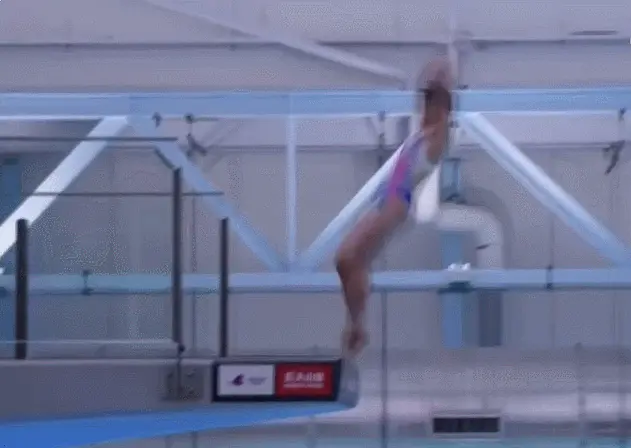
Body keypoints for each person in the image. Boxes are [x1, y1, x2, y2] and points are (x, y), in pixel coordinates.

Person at [335, 58, 453, 357]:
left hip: (396, 203)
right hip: (385, 199)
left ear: (439, 108)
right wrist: (429, 78)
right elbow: (426, 93)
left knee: (352, 258)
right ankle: (355, 325)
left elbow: (439, 97)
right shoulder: (420, 134)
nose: (423, 108)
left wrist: (441, 78)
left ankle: (357, 327)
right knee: (346, 260)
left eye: (429, 104)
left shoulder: (437, 138)